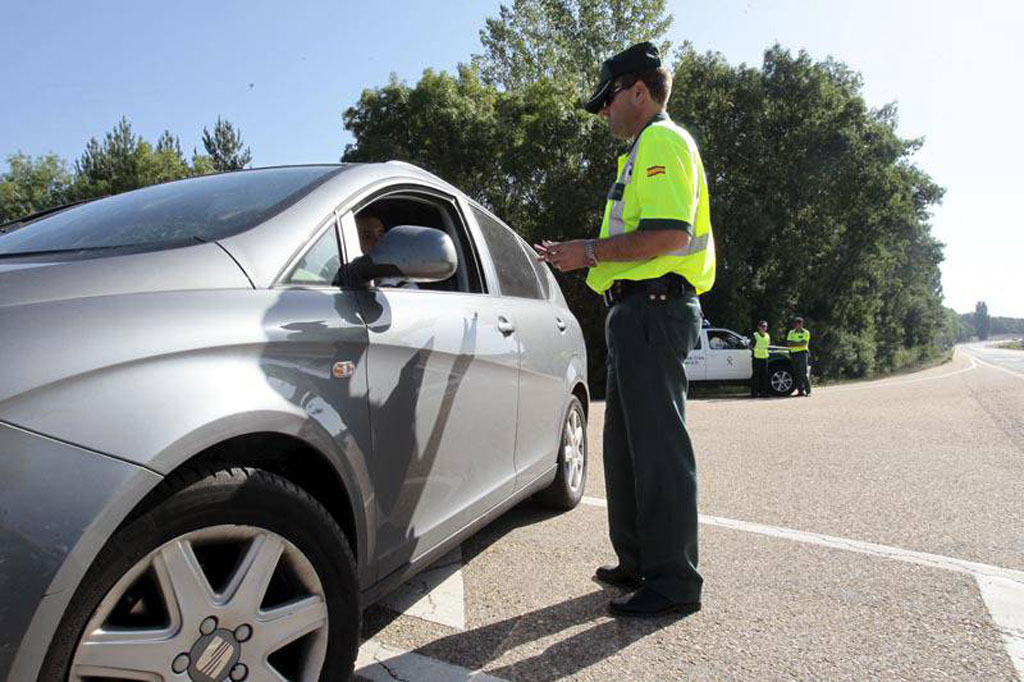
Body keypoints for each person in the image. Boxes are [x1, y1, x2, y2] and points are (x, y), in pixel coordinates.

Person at [534, 42, 715, 618]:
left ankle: (674, 581)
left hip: (654, 309)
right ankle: (638, 562)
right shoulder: (640, 151)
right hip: (636, 311)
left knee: (657, 449)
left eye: (608, 98)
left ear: (640, 91)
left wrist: (585, 251)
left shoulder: (661, 141)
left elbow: (669, 235)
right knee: (627, 449)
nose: (603, 110)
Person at [787, 317, 812, 396]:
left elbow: (803, 343)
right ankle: (800, 391)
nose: (796, 325)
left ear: (801, 324)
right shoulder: (791, 332)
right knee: (796, 373)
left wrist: (794, 343)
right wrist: (798, 343)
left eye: (798, 323)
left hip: (802, 354)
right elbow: (788, 343)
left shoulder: (806, 332)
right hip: (793, 354)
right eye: (795, 323)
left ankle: (808, 391)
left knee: (803, 373)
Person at [751, 320, 770, 398]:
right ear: (759, 327)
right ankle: (754, 393)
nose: (764, 328)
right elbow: (751, 345)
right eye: (763, 326)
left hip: (765, 358)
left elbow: (767, 346)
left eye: (765, 326)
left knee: (764, 376)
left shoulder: (767, 336)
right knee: (756, 376)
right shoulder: (755, 335)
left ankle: (763, 393)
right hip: (756, 358)